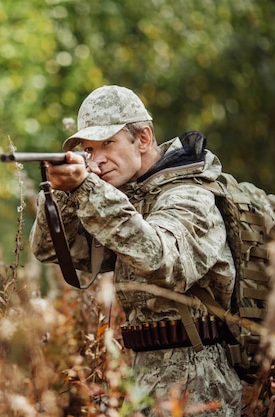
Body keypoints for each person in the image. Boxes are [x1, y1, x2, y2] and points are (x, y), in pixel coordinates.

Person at [29, 85, 243, 416]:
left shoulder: (189, 194)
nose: (97, 158)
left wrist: (87, 188)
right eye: (88, 148)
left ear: (143, 139)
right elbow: (51, 249)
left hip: (198, 380)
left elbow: (163, 260)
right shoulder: (129, 200)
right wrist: (65, 193)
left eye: (108, 143)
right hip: (144, 375)